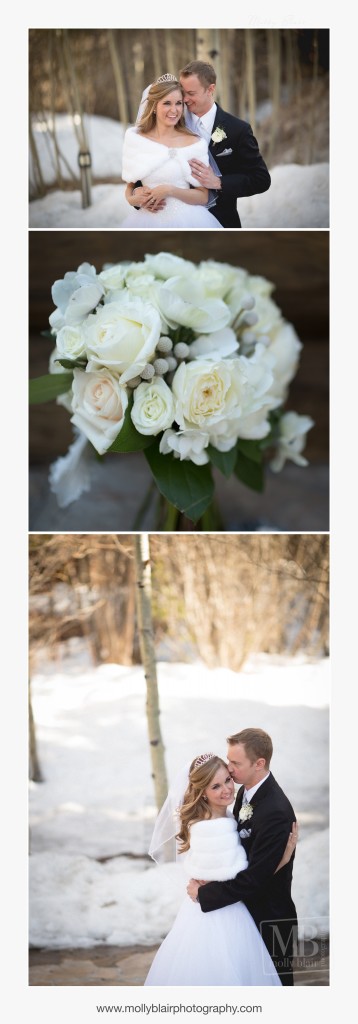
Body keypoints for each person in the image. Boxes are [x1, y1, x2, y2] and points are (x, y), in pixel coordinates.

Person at [144, 752, 297, 986]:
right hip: (223, 915)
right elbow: (245, 877)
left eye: (227, 780)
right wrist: (281, 859)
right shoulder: (212, 829)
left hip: (217, 905)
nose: (227, 789)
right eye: (215, 786)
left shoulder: (223, 813)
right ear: (202, 792)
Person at [187, 730, 298, 986]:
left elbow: (255, 878)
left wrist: (204, 895)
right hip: (243, 912)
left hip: (268, 917)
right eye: (229, 760)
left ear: (259, 764)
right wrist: (278, 861)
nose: (229, 768)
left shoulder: (275, 811)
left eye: (235, 763)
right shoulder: (244, 793)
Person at [121, 75, 222, 228]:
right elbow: (130, 187)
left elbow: (203, 196)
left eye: (179, 103)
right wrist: (133, 199)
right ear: (154, 106)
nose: (174, 110)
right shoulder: (136, 139)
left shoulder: (194, 143)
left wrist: (170, 190)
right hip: (146, 220)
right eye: (167, 103)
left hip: (188, 219)